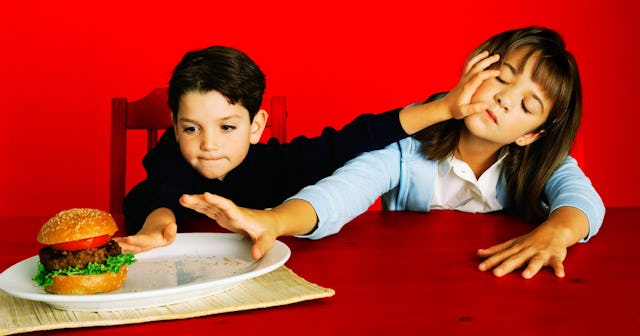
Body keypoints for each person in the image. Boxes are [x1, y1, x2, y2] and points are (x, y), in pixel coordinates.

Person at [179, 27, 606, 280]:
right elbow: (338, 194)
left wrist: (557, 233)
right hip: (416, 284)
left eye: (528, 106)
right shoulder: (407, 151)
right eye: (502, 78)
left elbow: (583, 200)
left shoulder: (539, 164)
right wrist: (272, 220)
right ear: (476, 66)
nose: (506, 100)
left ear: (532, 135)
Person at [117, 45, 494, 253]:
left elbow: (350, 140)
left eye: (227, 127)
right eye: (191, 128)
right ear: (174, 125)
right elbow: (155, 194)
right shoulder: (170, 157)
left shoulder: (277, 165)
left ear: (257, 127)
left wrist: (444, 109)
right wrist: (158, 225)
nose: (209, 144)